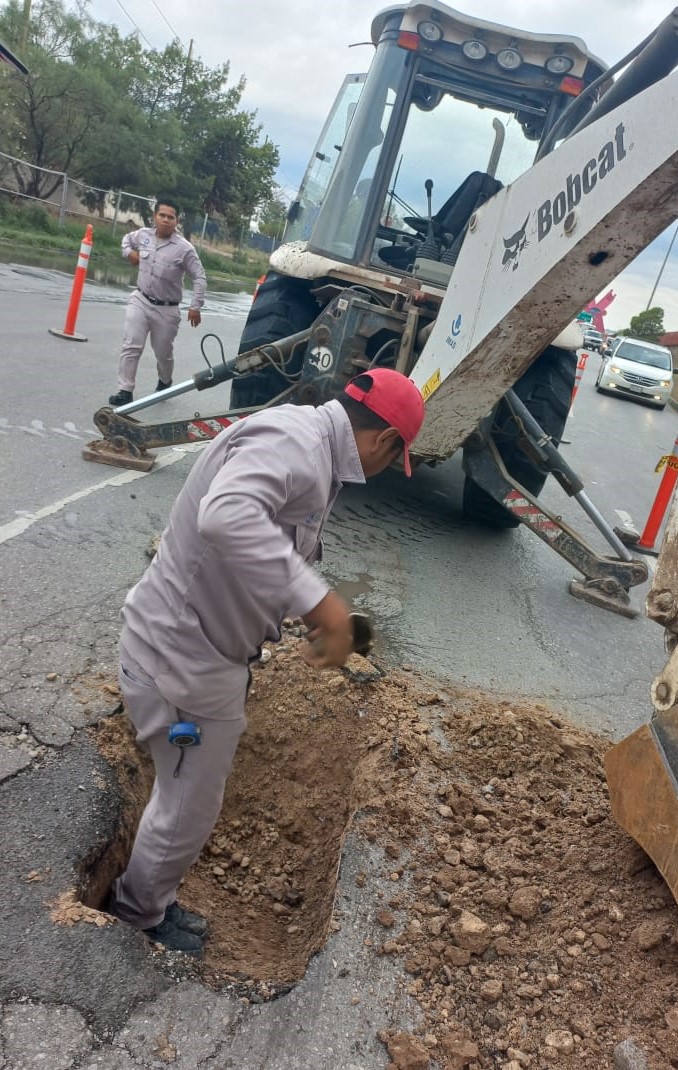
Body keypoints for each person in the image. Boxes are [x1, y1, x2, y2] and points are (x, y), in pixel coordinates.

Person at [110, 368, 425, 956]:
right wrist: (320, 603)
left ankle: (145, 902)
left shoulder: (306, 443)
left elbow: (264, 543)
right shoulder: (297, 447)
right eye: (395, 458)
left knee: (186, 790)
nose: (388, 470)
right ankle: (138, 916)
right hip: (183, 663)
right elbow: (226, 516)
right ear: (385, 442)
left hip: (189, 652)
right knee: (188, 802)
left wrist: (305, 613)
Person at [108, 198, 206, 407]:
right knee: (131, 344)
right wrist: (129, 254)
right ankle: (125, 391)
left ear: (176, 221)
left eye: (171, 217)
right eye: (162, 215)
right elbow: (126, 240)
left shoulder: (184, 249)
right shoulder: (142, 236)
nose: (166, 220)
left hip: (166, 310)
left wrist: (195, 306)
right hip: (140, 300)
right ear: (155, 217)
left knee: (163, 352)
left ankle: (165, 381)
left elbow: (199, 276)